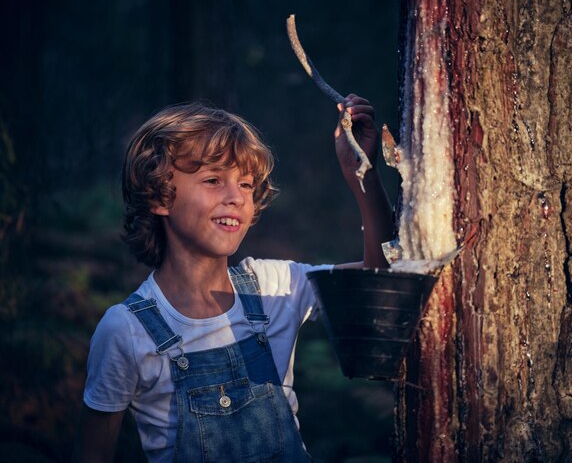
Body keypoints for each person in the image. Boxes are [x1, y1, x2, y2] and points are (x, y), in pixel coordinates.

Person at [73, 94, 393, 462]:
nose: (236, 197)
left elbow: (379, 278)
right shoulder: (126, 331)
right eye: (213, 180)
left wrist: (361, 172)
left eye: (245, 184)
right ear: (159, 197)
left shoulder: (275, 286)